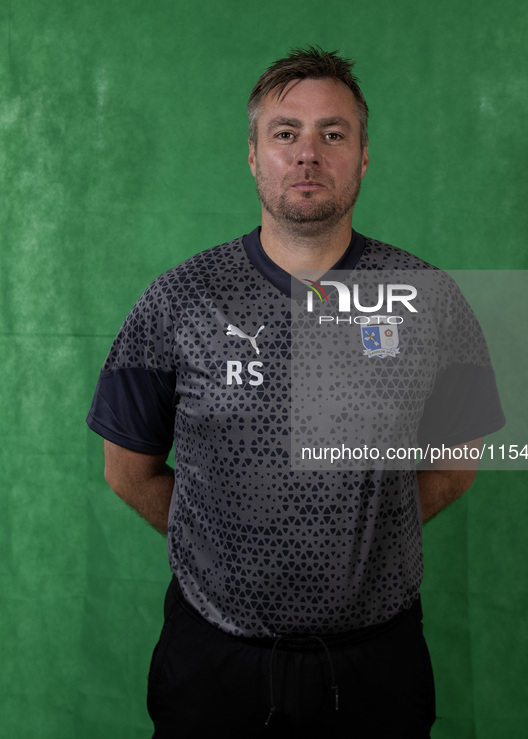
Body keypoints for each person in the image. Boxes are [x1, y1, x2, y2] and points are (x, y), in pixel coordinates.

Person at [87, 46, 505, 737]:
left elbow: (455, 465)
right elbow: (125, 468)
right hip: (213, 664)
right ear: (254, 155)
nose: (307, 153)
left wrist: (361, 542)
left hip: (375, 666)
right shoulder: (179, 300)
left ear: (363, 156)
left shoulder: (428, 301)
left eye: (332, 134)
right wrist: (226, 545)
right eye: (285, 133)